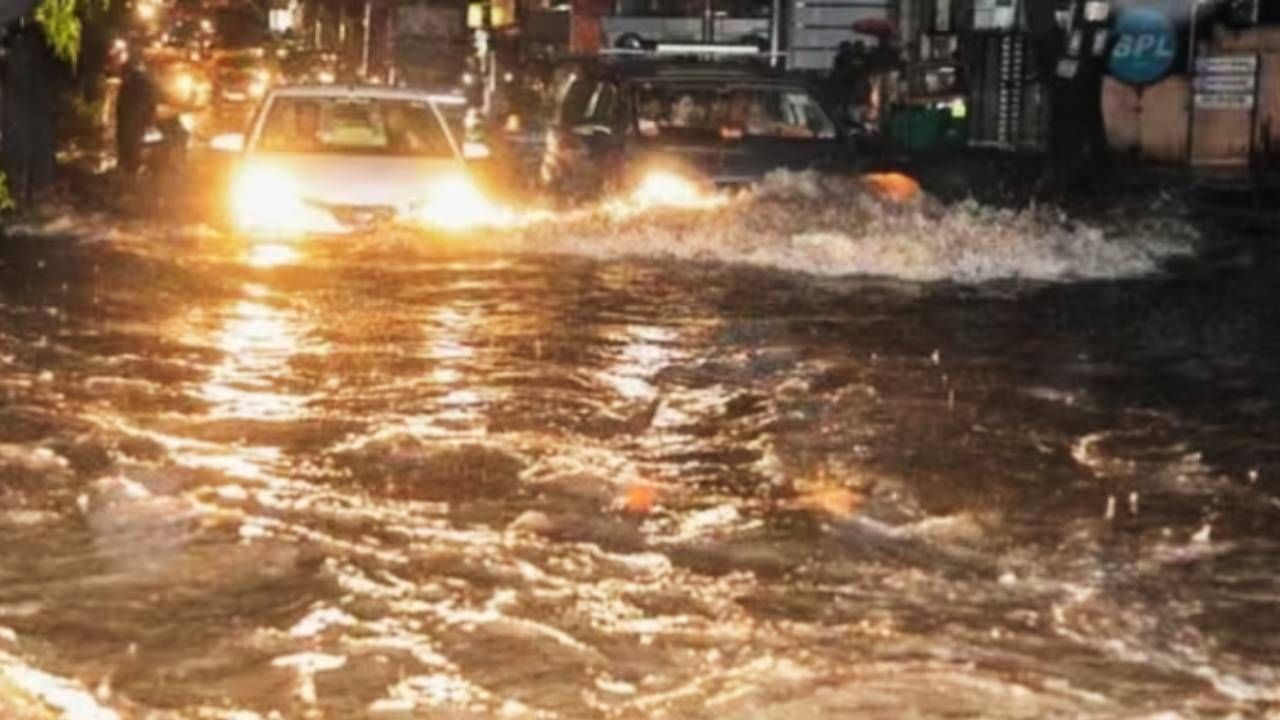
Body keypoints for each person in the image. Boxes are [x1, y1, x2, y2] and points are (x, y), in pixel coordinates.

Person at [116, 58, 156, 178]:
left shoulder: (140, 84)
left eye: (123, 74)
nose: (122, 77)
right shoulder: (128, 84)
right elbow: (121, 104)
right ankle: (126, 167)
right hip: (128, 120)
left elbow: (148, 103)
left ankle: (132, 169)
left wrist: (148, 120)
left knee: (133, 143)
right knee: (126, 142)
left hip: (136, 120)